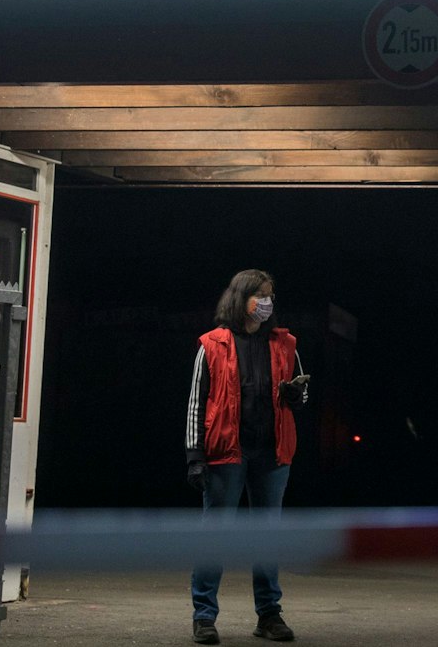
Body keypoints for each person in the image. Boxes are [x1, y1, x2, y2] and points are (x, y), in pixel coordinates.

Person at [185, 270, 309, 643]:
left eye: (271, 295)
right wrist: (194, 454)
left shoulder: (285, 345)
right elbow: (195, 403)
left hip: (271, 454)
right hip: (226, 453)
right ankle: (204, 617)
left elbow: (302, 397)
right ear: (241, 298)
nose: (267, 303)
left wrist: (294, 396)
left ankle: (269, 616)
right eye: (260, 295)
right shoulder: (212, 345)